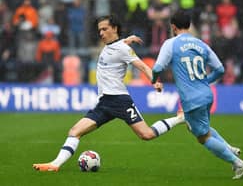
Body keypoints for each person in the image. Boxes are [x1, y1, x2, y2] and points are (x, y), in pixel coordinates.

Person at [33, 14, 183, 172]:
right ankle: (55, 165)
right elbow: (116, 46)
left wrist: (155, 81)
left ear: (115, 29)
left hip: (119, 100)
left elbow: (143, 66)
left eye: (104, 29)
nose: (101, 33)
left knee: (146, 135)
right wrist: (127, 39)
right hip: (104, 103)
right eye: (99, 30)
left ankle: (180, 118)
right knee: (75, 131)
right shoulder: (114, 45)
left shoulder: (124, 49)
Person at [151, 9, 243, 179]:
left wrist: (154, 80)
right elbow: (219, 69)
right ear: (189, 26)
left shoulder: (171, 44)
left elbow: (157, 68)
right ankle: (228, 147)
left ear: (173, 27)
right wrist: (205, 81)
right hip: (207, 94)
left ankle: (237, 163)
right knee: (198, 126)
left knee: (202, 137)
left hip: (191, 99)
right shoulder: (201, 44)